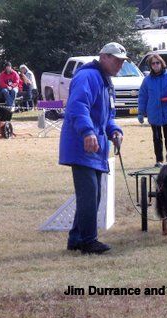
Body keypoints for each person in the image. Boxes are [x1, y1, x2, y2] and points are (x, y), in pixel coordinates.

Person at [59, 42, 125, 255]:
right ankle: (89, 241)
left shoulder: (106, 82)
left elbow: (108, 116)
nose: (120, 65)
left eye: (122, 61)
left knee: (91, 195)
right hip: (83, 144)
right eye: (116, 60)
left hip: (96, 145)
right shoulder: (88, 77)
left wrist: (114, 130)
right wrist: (87, 132)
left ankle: (77, 238)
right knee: (90, 195)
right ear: (103, 57)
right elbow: (78, 106)